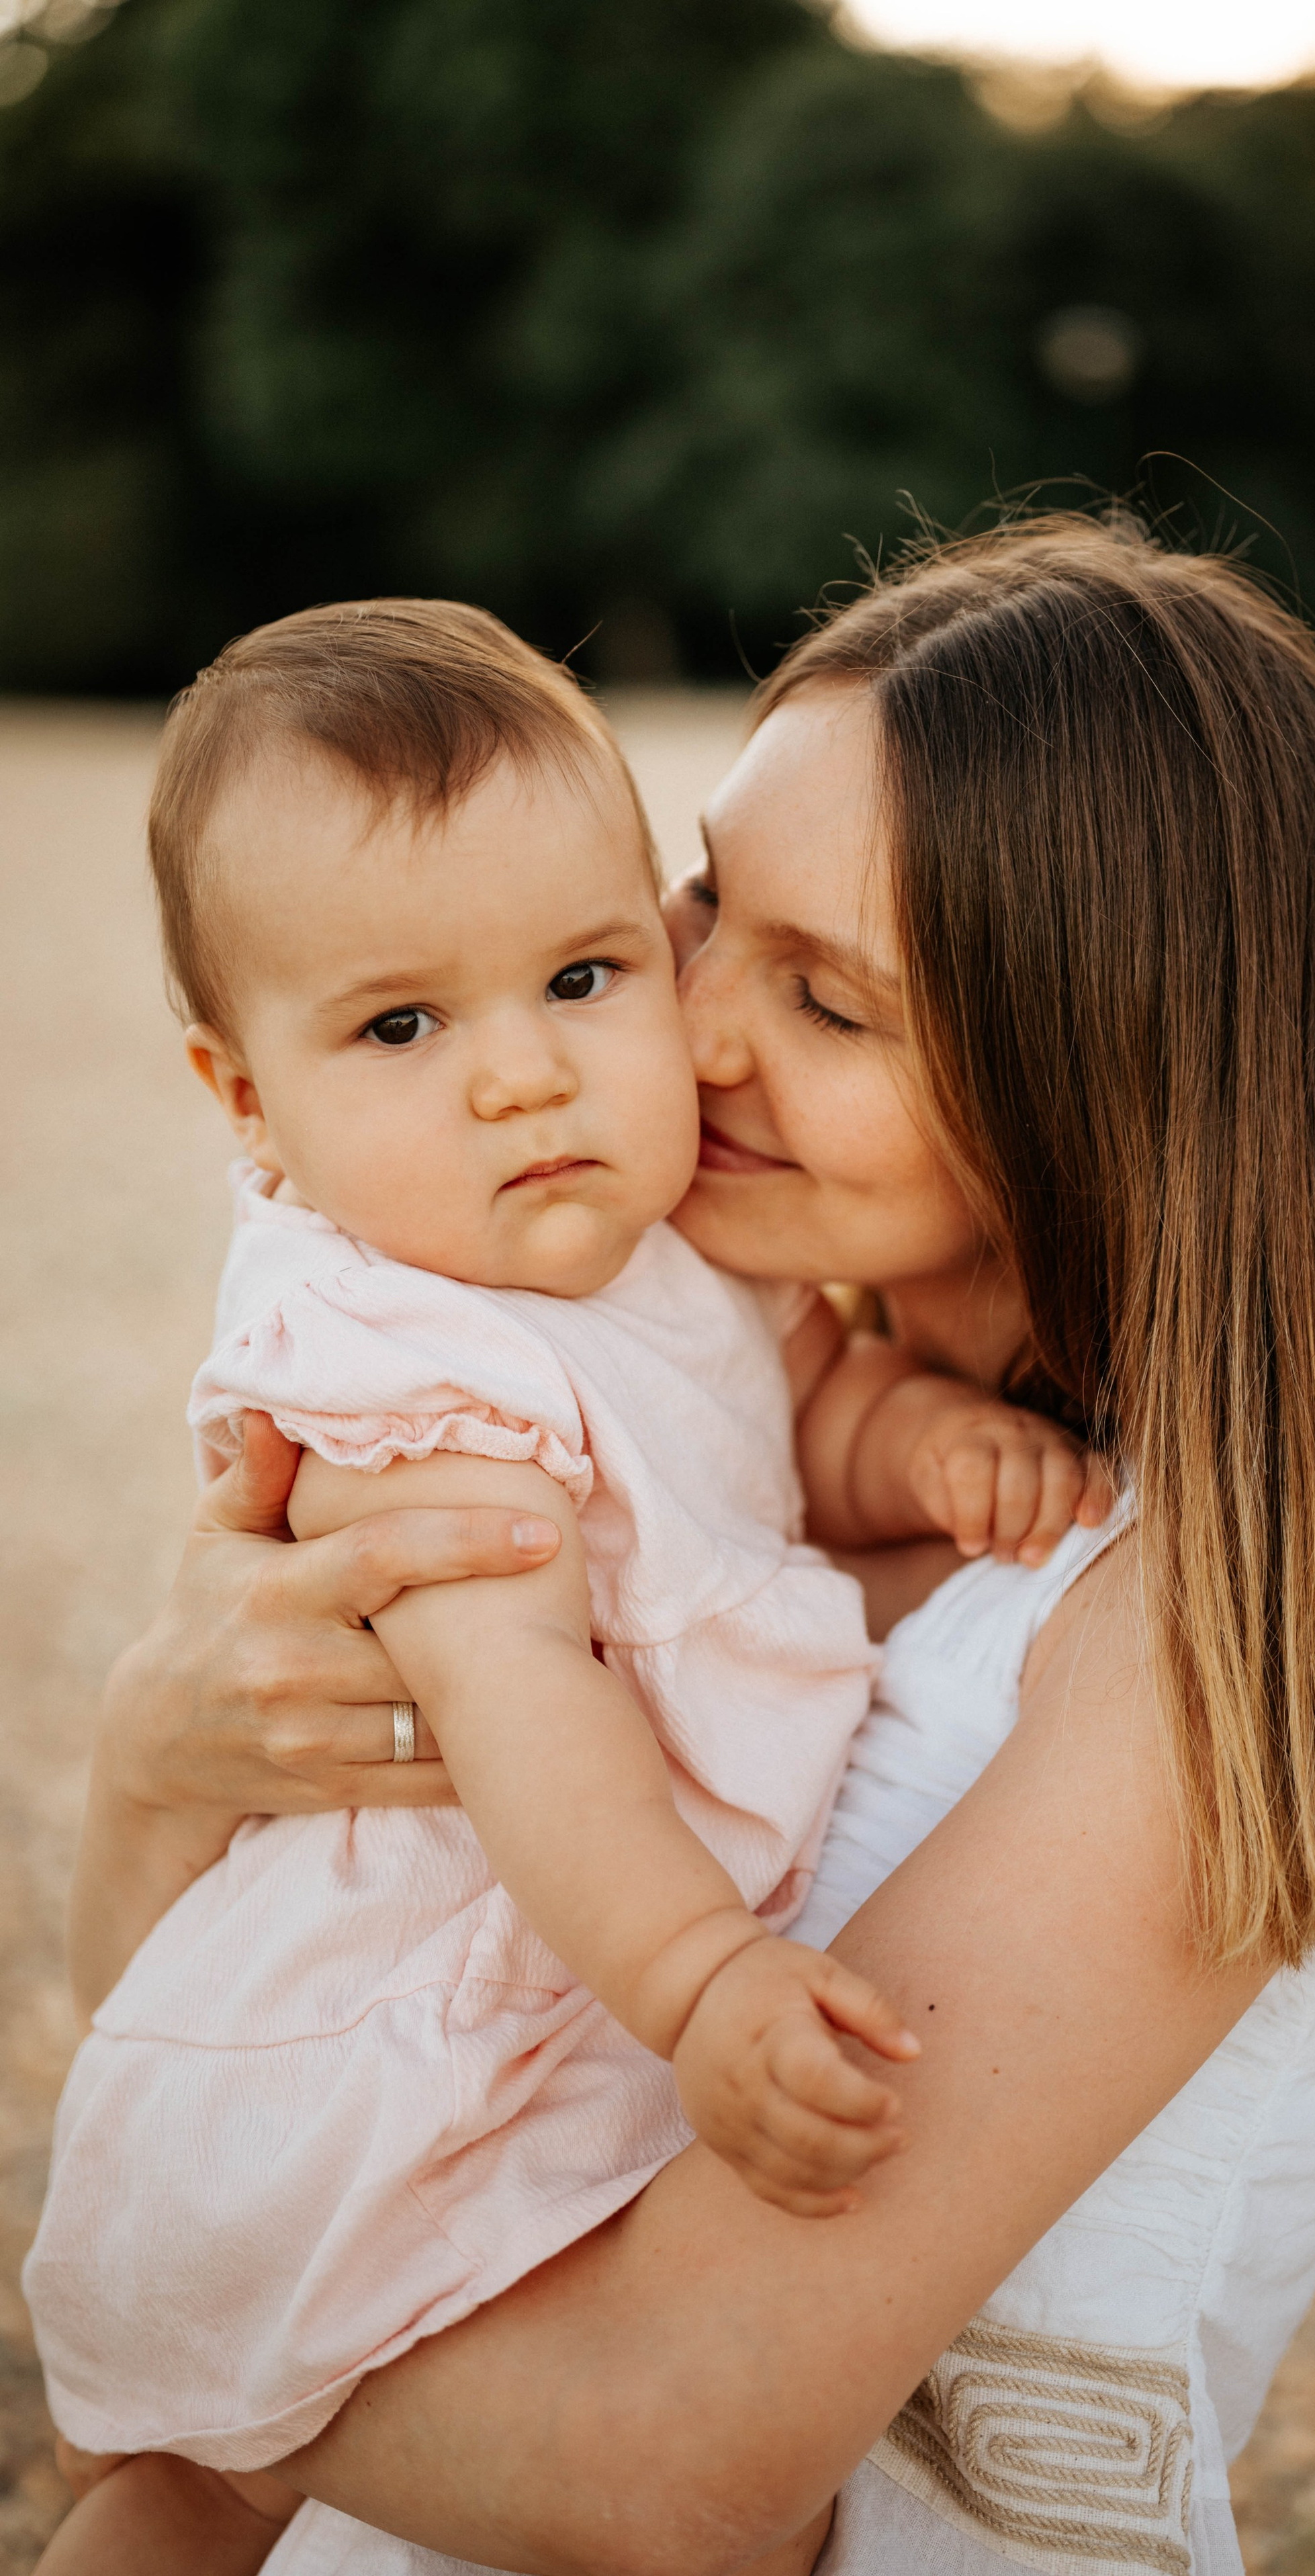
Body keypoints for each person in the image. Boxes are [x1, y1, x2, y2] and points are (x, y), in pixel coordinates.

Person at [60, 517, 1315, 2576]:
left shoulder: (1198, 1629)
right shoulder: (688, 1396)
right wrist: (149, 1760)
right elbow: (216, 1994)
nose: (681, 1025)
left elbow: (668, 2461)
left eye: (824, 1000)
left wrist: (176, 2367)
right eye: (704, 902)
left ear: (1102, 1090)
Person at [26, 598, 1107, 2573]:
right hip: (429, 2019)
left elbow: (797, 1410)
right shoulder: (409, 1370)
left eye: (588, 970)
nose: (528, 1074)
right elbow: (525, 1703)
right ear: (246, 1103)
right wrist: (701, 1980)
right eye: (403, 1025)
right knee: (202, 2485)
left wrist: (923, 1455)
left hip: (570, 1998)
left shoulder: (664, 1243)